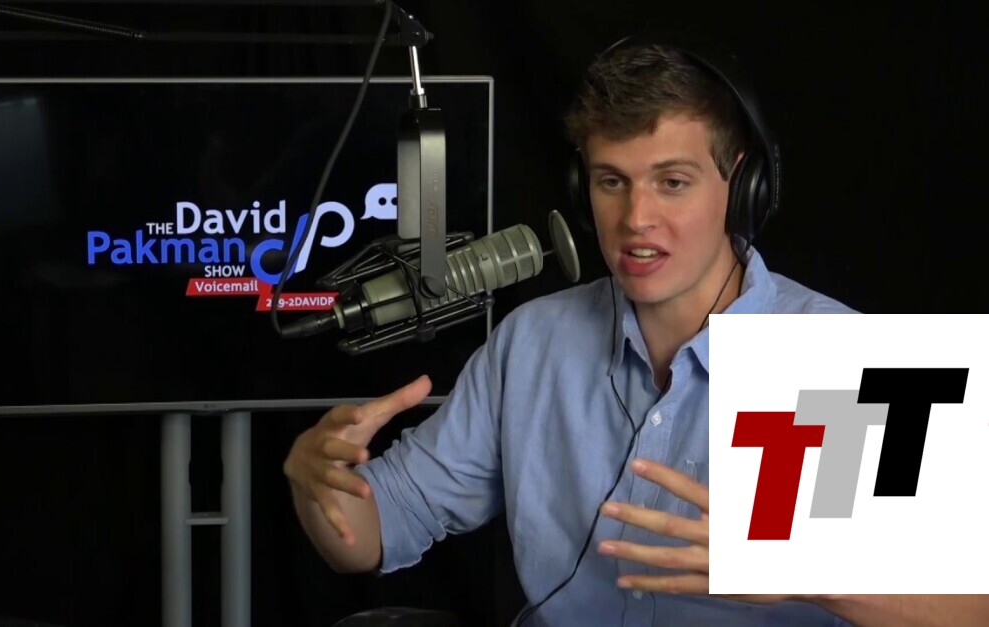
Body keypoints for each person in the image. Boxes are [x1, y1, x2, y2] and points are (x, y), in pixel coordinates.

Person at [283, 37, 989, 626]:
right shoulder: (533, 344)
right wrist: (321, 486)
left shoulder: (844, 356)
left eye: (672, 182)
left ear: (741, 186)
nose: (636, 219)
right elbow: (373, 533)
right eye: (611, 182)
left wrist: (809, 571)